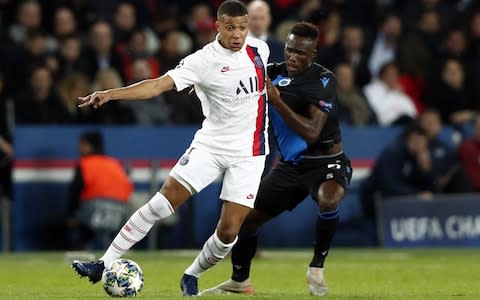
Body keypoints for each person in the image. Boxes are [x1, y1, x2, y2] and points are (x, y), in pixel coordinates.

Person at [71, 1, 270, 297]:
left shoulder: (260, 50)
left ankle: (192, 274)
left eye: (242, 27)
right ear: (217, 26)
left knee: (229, 232)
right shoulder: (202, 60)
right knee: (162, 203)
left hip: (250, 153)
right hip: (211, 146)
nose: (238, 34)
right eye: (230, 28)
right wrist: (110, 94)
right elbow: (156, 86)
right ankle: (103, 262)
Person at [202, 22, 352, 297]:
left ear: (313, 55)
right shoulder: (274, 73)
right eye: (289, 51)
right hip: (292, 166)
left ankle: (316, 267)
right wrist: (205, 84)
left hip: (327, 162)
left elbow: (311, 132)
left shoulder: (324, 80)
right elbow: (238, 78)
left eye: (300, 54)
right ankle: (239, 281)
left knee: (329, 199)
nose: (293, 57)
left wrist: (277, 99)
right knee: (246, 221)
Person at [66, 131, 133, 250]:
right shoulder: (114, 164)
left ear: (89, 146)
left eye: (82, 144)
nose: (79, 147)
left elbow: (74, 193)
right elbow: (128, 188)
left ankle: (80, 250)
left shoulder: (85, 164)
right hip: (119, 213)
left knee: (77, 229)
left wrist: (71, 216)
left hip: (92, 212)